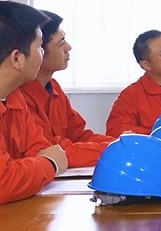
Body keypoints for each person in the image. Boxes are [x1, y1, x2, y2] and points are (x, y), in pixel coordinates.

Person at [0, 2, 69, 211]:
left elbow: (40, 148)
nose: (42, 53)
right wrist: (50, 164)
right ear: (17, 58)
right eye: (40, 47)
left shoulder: (13, 95)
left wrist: (31, 166)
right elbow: (0, 183)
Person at [19, 11, 115, 167]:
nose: (68, 47)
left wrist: (118, 143)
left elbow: (79, 135)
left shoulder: (54, 87)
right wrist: (113, 149)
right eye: (61, 43)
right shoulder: (20, 96)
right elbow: (52, 151)